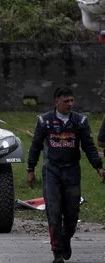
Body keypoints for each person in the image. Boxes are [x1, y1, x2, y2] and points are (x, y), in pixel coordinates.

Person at [26, 87, 105, 263]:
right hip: (51, 171)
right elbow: (35, 146)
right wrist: (30, 170)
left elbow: (89, 147)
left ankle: (66, 239)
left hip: (72, 172)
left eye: (72, 101)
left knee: (71, 215)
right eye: (66, 101)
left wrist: (99, 167)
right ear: (56, 101)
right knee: (54, 213)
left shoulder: (80, 122)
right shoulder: (44, 121)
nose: (70, 104)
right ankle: (57, 253)